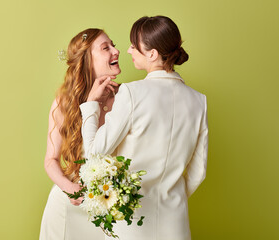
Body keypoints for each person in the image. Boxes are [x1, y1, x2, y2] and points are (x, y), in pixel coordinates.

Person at [80, 16, 208, 240]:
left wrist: (91, 105)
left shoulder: (131, 93)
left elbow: (93, 153)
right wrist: (170, 200)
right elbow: (198, 173)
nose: (127, 51)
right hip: (177, 227)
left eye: (133, 45)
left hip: (132, 226)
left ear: (152, 54)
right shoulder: (199, 101)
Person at [39, 28, 120, 240]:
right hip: (67, 208)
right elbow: (51, 160)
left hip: (111, 209)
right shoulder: (65, 102)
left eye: (113, 44)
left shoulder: (126, 99)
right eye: (106, 48)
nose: (116, 51)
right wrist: (70, 189)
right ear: (87, 60)